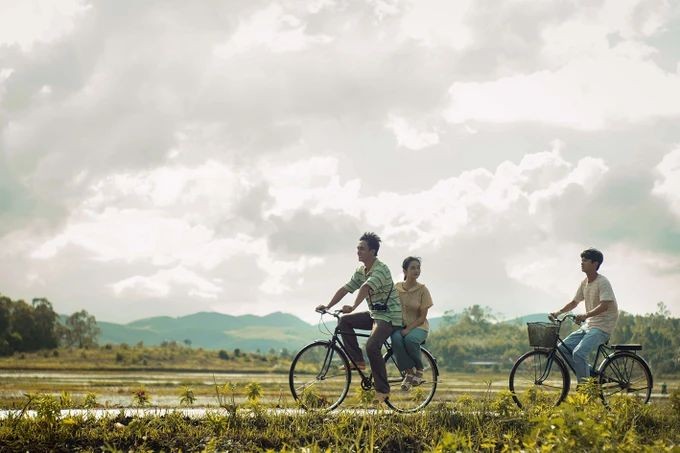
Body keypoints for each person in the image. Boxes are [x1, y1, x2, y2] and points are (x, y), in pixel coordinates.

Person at [315, 232, 402, 403]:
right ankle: (357, 360)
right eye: (357, 248)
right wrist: (328, 306)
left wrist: (353, 307)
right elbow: (347, 288)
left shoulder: (381, 269)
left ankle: (383, 390)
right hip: (374, 315)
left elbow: (365, 287)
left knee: (371, 346)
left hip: (389, 316)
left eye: (362, 249)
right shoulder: (361, 270)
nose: (358, 251)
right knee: (344, 321)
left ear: (373, 251)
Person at [550, 248, 618, 384]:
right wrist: (558, 313)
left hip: (603, 326)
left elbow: (604, 305)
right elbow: (574, 302)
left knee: (579, 353)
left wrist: (585, 315)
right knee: (563, 349)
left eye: (585, 260)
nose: (582, 263)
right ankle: (591, 375)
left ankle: (585, 388)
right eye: (582, 260)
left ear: (595, 263)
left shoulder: (603, 282)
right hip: (590, 325)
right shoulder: (584, 283)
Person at [390, 256, 433, 391]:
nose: (416, 270)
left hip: (419, 326)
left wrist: (408, 329)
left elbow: (422, 317)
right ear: (405, 271)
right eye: (412, 268)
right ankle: (409, 371)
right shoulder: (396, 288)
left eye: (418, 268)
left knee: (410, 340)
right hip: (399, 326)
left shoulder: (423, 290)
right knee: (395, 338)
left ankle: (419, 369)